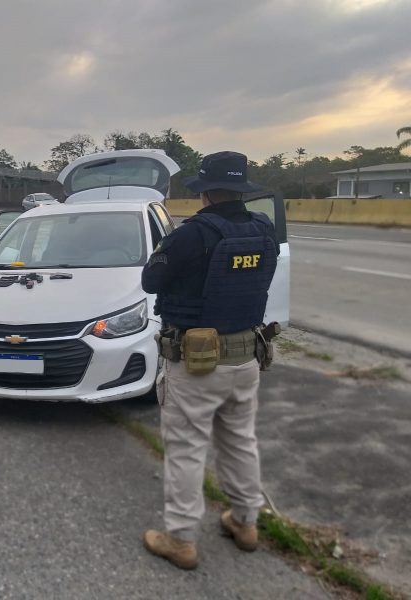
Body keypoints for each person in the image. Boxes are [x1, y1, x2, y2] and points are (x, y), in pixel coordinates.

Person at [140, 151, 279, 569]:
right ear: (242, 190)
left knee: (186, 448)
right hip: (247, 356)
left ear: (206, 192)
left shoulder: (193, 234)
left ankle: (180, 539)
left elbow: (151, 278)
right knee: (240, 441)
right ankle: (244, 521)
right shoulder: (263, 229)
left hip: (197, 363)